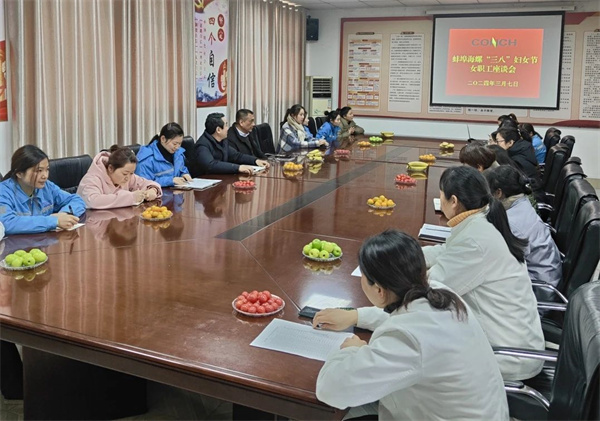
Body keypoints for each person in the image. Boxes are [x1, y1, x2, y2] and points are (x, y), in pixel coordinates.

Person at [314, 230, 509, 420]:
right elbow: (409, 319)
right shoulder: (440, 293)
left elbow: (331, 390)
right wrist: (356, 316)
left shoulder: (408, 339)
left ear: (379, 290)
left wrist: (351, 350)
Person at [422, 166, 544, 381]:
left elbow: (431, 290)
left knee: (418, 355)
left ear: (453, 201)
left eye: (440, 195)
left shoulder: (475, 240)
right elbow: (447, 251)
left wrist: (366, 315)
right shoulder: (483, 220)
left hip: (506, 355)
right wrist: (406, 256)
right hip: (510, 338)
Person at [484, 165, 562, 287]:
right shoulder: (522, 202)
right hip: (547, 273)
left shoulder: (511, 222)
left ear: (498, 193)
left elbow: (503, 263)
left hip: (539, 286)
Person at [0, 145, 85, 235]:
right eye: (39, 171)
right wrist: (53, 221)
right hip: (16, 243)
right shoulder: (3, 192)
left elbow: (76, 200)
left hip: (44, 240)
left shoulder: (47, 187)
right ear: (19, 173)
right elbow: (6, 222)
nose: (45, 176)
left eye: (47, 169)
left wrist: (64, 214)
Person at [77, 145, 162, 209]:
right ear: (110, 168)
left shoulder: (128, 176)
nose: (128, 178)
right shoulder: (92, 178)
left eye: (131, 173)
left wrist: (153, 190)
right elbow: (93, 201)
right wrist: (131, 197)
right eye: (125, 174)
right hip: (91, 223)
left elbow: (148, 183)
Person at [192, 113, 269, 176]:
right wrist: (238, 168)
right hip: (206, 184)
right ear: (218, 130)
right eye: (226, 125)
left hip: (221, 180)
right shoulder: (202, 145)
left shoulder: (223, 141)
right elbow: (211, 165)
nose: (228, 128)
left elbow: (236, 156)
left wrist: (255, 161)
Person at [135, 122, 192, 187]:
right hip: (156, 192)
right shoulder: (147, 159)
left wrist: (184, 174)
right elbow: (143, 183)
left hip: (177, 191)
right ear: (163, 139)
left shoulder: (178, 153)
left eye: (180, 143)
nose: (177, 147)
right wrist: (170, 181)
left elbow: (181, 169)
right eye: (175, 144)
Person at [495, 127, 544, 202]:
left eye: (498, 141)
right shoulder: (523, 149)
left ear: (510, 143)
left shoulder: (516, 160)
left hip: (532, 199)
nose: (496, 144)